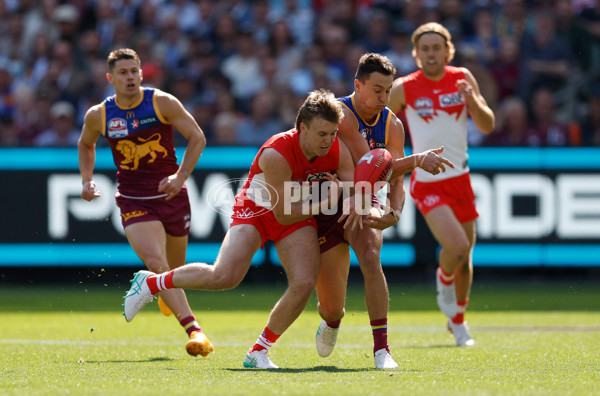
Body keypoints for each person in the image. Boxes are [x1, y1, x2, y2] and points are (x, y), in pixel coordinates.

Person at [122, 89, 357, 369]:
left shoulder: (337, 149)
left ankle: (258, 351)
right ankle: (150, 283)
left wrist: (351, 194)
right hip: (258, 210)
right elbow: (282, 215)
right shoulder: (277, 152)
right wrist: (328, 199)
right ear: (302, 128)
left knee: (305, 283)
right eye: (322, 134)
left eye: (332, 133)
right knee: (225, 276)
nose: (328, 141)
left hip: (298, 211)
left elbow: (354, 186)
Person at [314, 53, 454, 369]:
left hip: (364, 200)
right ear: (357, 85)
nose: (383, 97)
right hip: (326, 199)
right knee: (331, 307)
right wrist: (419, 159)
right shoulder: (339, 114)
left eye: (388, 90)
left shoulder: (392, 123)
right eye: (377, 89)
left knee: (370, 255)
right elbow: (372, 166)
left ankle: (382, 350)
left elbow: (395, 180)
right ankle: (332, 320)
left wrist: (395, 210)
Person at [77, 48, 213, 357]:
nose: (130, 78)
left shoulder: (160, 102)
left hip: (171, 195)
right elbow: (85, 143)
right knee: (156, 264)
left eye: (134, 71)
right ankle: (196, 332)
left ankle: (165, 291)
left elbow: (198, 137)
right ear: (111, 78)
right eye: (123, 73)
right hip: (133, 198)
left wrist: (181, 176)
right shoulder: (99, 114)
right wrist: (86, 180)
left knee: (174, 270)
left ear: (141, 73)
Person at [388, 23, 495, 346]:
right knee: (457, 248)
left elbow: (487, 124)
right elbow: (380, 127)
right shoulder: (403, 87)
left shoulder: (461, 77)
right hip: (428, 181)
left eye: (437, 47)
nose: (431, 53)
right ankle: (443, 279)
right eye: (425, 48)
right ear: (416, 54)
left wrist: (472, 100)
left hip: (460, 177)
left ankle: (458, 322)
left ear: (448, 51)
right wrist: (395, 162)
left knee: (466, 257)